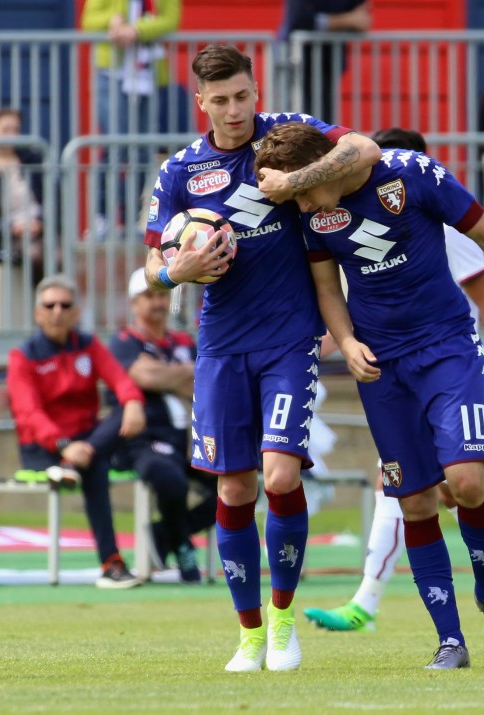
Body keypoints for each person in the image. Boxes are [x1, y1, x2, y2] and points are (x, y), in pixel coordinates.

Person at [254, 121, 484, 669]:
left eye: (306, 192)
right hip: (384, 367)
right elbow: (326, 286)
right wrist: (347, 340)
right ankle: (450, 641)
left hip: (447, 347)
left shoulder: (412, 174)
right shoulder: (313, 217)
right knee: (415, 501)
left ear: (325, 166)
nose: (305, 206)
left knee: (468, 483)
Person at [141, 44, 381, 672]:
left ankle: (281, 620)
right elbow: (150, 262)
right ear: (201, 102)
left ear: (256, 90)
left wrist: (294, 182)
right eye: (220, 100)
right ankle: (248, 633)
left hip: (288, 339)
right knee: (235, 485)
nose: (234, 109)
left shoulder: (288, 138)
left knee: (280, 476)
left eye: (243, 95)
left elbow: (365, 149)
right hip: (220, 346)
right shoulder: (179, 171)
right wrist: (177, 270)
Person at [7, 273, 148, 589]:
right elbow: (29, 414)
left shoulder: (88, 345)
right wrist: (63, 445)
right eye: (50, 305)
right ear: (38, 313)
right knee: (95, 464)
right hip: (44, 450)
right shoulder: (23, 356)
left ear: (76, 311)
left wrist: (134, 402)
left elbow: (120, 380)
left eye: (65, 304)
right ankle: (112, 563)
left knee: (119, 420)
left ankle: (76, 466)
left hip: (86, 444)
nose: (57, 311)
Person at [104, 267, 206, 583]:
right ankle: (183, 545)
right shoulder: (123, 342)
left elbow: (204, 380)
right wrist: (182, 374)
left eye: (162, 295)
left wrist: (166, 375)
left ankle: (164, 534)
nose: (157, 303)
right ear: (134, 303)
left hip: (188, 439)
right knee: (169, 478)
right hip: (143, 438)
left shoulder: (183, 341)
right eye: (149, 296)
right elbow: (145, 376)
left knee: (242, 483)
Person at [80, 0, 184, 240]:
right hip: (112, 71)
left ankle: (133, 220)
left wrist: (137, 31)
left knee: (143, 149)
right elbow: (88, 21)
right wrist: (113, 23)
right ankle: (103, 218)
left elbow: (171, 19)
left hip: (151, 73)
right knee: (115, 145)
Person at [0, 107, 47, 332]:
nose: (12, 135)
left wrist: (40, 221)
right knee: (36, 255)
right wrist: (12, 227)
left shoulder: (33, 161)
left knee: (59, 253)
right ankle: (43, 315)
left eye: (16, 129)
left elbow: (51, 200)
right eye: (5, 129)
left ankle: (57, 310)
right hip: (3, 235)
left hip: (38, 230)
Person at [278, 1, 371, 121]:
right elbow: (299, 21)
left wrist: (350, 21)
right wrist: (347, 20)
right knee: (297, 122)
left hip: (328, 63)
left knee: (323, 123)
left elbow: (361, 19)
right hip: (296, 64)